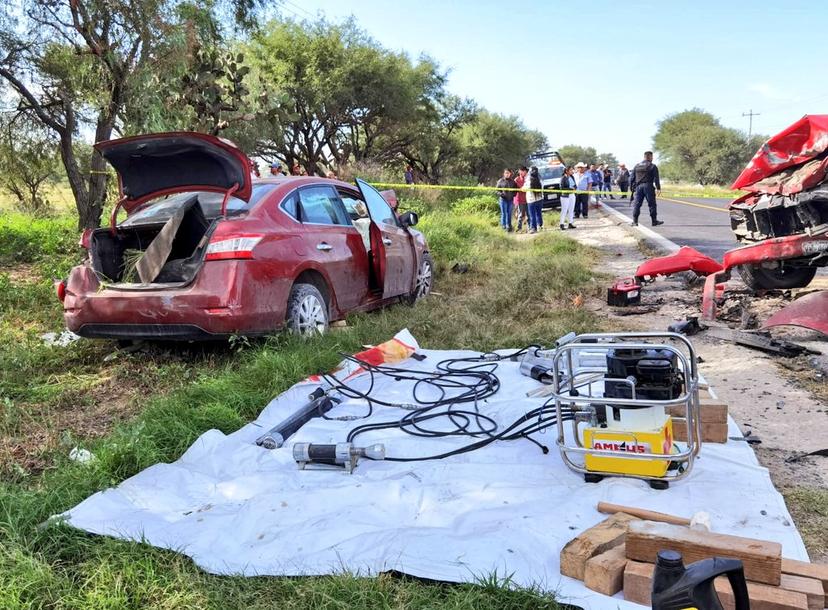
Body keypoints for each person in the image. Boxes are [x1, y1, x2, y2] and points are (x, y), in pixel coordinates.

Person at [630, 151, 663, 227]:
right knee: (652, 204)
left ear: (644, 157)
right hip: (648, 186)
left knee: (637, 204)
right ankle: (654, 221)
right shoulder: (652, 166)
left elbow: (631, 178)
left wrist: (632, 188)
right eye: (652, 157)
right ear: (650, 157)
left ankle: (635, 222)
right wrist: (658, 188)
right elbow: (656, 179)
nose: (652, 158)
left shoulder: (637, 166)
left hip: (638, 187)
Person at [525, 166, 544, 233]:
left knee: (532, 214)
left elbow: (525, 188)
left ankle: (533, 228)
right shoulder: (540, 179)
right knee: (539, 213)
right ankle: (540, 226)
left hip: (531, 200)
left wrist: (522, 188)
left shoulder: (528, 180)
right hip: (539, 199)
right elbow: (542, 187)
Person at [558, 165, 577, 230]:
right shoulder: (563, 178)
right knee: (564, 210)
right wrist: (570, 189)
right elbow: (562, 188)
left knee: (571, 210)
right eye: (571, 170)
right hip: (565, 196)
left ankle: (570, 223)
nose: (572, 171)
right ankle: (561, 224)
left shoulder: (572, 177)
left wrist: (575, 188)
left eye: (572, 170)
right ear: (567, 171)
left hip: (572, 195)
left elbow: (574, 185)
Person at [514, 166, 529, 232]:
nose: (521, 172)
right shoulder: (516, 180)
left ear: (526, 172)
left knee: (529, 214)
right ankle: (519, 228)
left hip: (528, 199)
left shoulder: (528, 179)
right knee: (520, 214)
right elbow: (516, 189)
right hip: (520, 199)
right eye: (520, 171)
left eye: (523, 171)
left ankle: (530, 227)